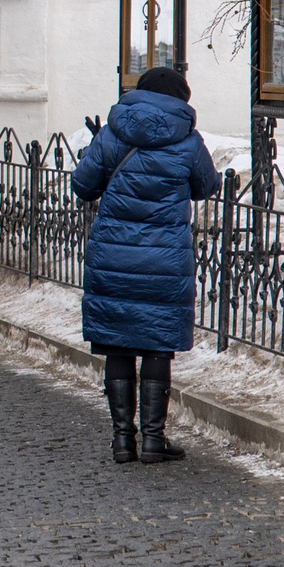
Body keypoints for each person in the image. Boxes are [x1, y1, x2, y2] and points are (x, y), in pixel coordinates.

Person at [70, 64, 218, 465]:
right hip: (164, 257)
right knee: (156, 343)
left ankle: (122, 441)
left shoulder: (113, 133)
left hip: (114, 254)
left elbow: (82, 186)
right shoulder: (187, 140)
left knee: (118, 340)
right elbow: (208, 186)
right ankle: (154, 440)